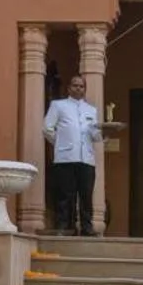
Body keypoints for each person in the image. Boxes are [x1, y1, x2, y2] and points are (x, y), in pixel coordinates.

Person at [43, 74, 102, 236]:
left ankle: (87, 227)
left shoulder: (91, 110)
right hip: (65, 158)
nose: (78, 88)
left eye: (81, 86)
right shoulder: (58, 105)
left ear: (85, 89)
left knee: (86, 194)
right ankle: (64, 225)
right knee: (65, 194)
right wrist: (62, 142)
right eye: (75, 85)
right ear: (69, 88)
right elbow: (47, 129)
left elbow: (95, 135)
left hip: (86, 159)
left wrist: (106, 133)